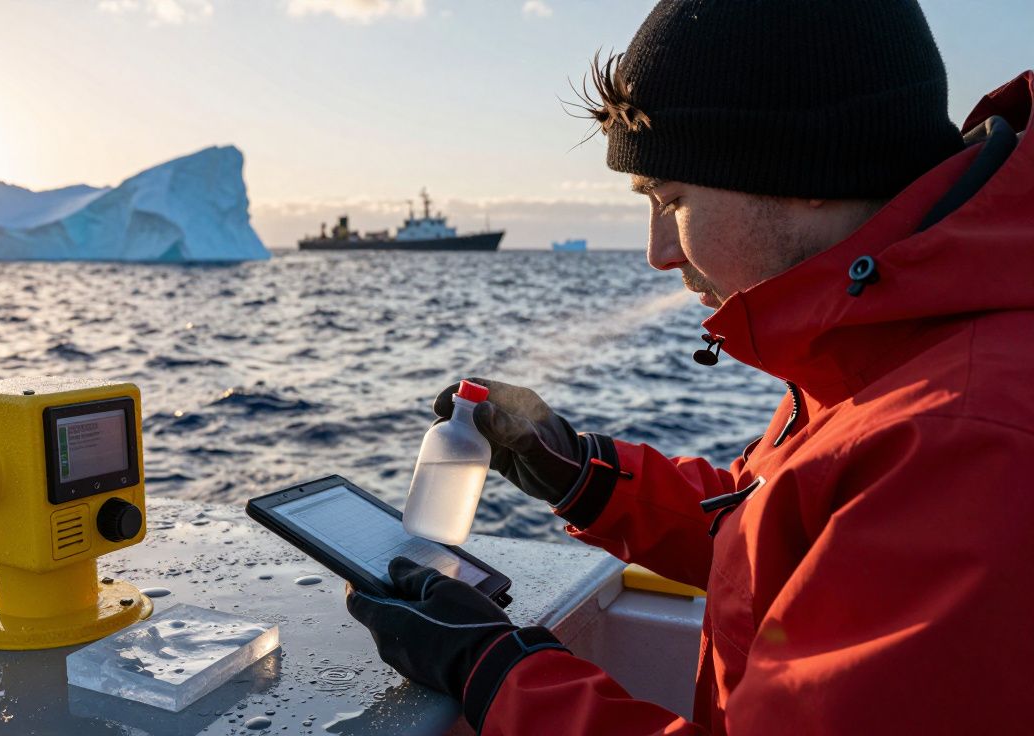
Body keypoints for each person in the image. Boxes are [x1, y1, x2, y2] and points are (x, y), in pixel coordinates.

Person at [345, 1, 1034, 733]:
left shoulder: (966, 442)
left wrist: (495, 672)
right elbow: (777, 528)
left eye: (671, 200)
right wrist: (583, 475)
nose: (658, 253)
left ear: (807, 163)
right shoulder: (889, 348)